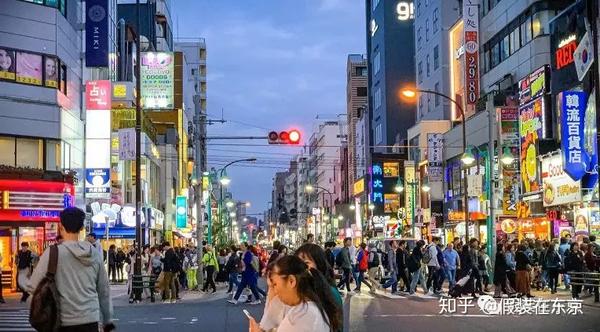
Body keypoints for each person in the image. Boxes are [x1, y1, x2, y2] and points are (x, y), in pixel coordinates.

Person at [24, 207, 114, 332]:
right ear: (82, 227)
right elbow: (104, 290)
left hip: (61, 322)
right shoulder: (94, 253)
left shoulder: (52, 253)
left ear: (61, 226)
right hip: (90, 320)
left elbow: (33, 286)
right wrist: (107, 320)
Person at [249, 255, 341, 332]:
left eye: (275, 284)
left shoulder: (300, 315)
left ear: (291, 281)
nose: (275, 291)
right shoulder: (311, 308)